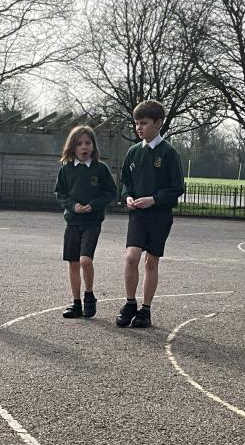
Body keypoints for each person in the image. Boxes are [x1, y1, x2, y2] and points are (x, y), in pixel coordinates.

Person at [116, 100, 184, 329]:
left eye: (143, 123)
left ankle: (145, 310)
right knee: (131, 257)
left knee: (151, 262)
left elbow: (177, 188)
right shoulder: (133, 152)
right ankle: (129, 304)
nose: (139, 127)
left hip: (159, 216)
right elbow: (126, 182)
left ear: (158, 123)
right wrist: (128, 197)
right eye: (136, 123)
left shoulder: (169, 153)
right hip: (138, 215)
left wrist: (154, 199)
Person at [54, 125, 117, 319]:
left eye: (88, 143)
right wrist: (72, 206)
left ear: (93, 146)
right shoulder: (66, 169)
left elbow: (110, 192)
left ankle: (89, 295)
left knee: (85, 260)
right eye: (79, 143)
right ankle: (76, 303)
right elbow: (60, 193)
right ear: (72, 147)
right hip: (72, 222)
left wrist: (94, 205)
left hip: (92, 222)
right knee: (73, 263)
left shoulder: (101, 168)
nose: (84, 147)